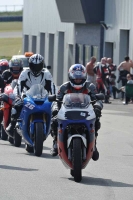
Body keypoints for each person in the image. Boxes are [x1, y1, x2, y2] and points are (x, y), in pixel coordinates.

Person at [50, 64, 103, 161]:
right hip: (67, 112)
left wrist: (98, 107)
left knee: (96, 121)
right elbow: (56, 100)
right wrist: (55, 109)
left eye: (80, 78)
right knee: (54, 121)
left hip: (85, 112)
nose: (78, 80)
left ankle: (94, 144)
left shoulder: (90, 87)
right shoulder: (64, 87)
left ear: (84, 77)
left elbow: (98, 99)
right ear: (70, 77)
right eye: (76, 78)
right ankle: (55, 143)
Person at [5, 53, 56, 137]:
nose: (36, 68)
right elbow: (19, 86)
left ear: (42, 65)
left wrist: (54, 97)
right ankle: (12, 125)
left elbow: (52, 86)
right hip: (27, 95)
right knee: (17, 106)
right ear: (29, 65)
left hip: (42, 96)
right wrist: (18, 97)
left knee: (55, 110)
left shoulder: (46, 73)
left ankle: (54, 131)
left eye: (38, 66)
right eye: (33, 66)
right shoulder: (25, 72)